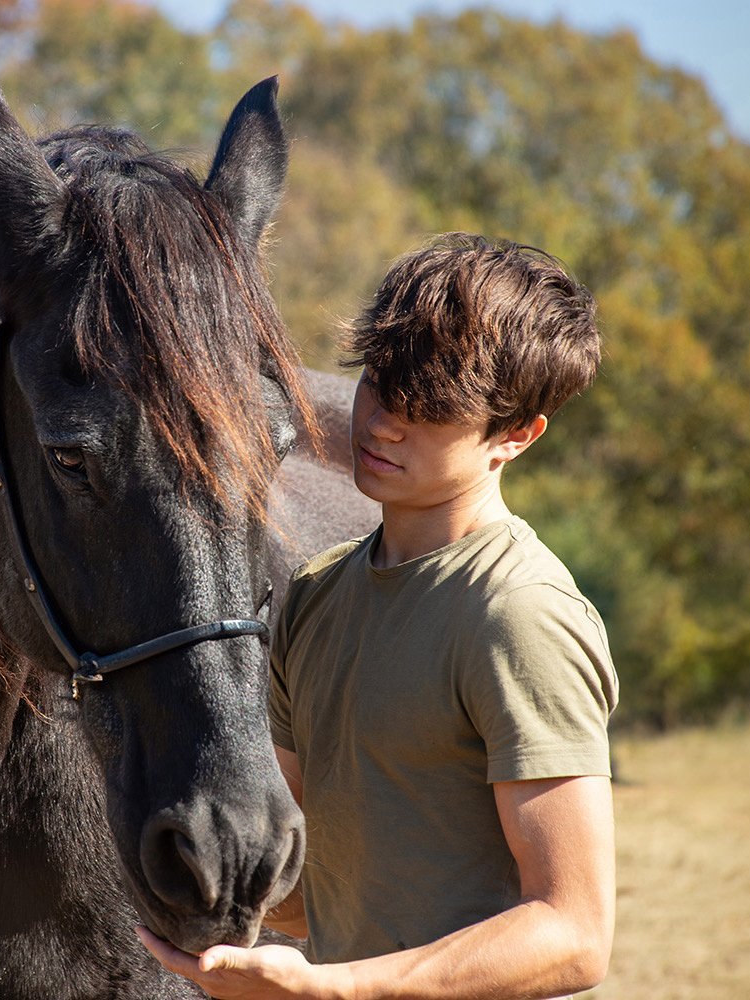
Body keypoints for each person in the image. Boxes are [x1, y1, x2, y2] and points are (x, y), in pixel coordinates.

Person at [139, 233, 619, 999]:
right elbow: (308, 888)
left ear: (517, 436)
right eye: (380, 383)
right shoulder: (315, 595)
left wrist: (338, 989)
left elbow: (574, 933)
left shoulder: (519, 615)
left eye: (433, 410)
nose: (384, 422)